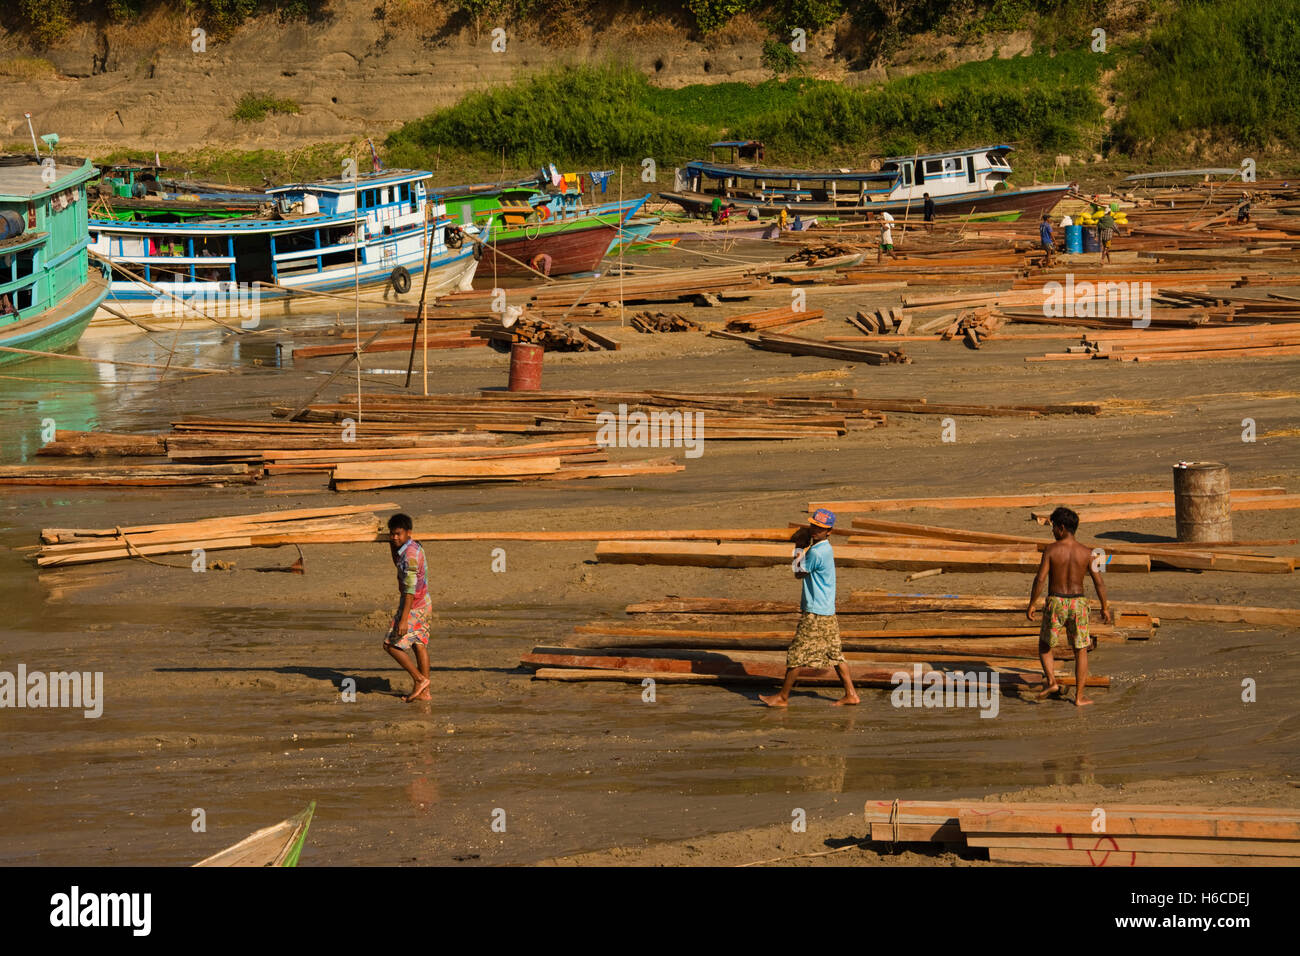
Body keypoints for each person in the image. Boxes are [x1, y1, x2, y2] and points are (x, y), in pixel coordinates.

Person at [759, 509, 860, 708]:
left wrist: (798, 547)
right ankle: (851, 694)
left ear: (829, 531)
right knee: (835, 653)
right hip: (826, 609)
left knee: (797, 654)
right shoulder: (826, 548)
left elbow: (798, 572)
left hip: (816, 612)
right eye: (813, 526)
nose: (815, 530)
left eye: (820, 528)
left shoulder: (817, 552)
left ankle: (783, 697)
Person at [1026, 506, 1112, 707]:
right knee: (1080, 649)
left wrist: (1032, 603)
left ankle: (1052, 681)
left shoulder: (1051, 550)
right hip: (1079, 603)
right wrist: (1104, 606)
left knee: (1045, 646)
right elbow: (1099, 582)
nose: (1052, 531)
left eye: (1054, 527)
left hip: (1056, 601)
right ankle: (1079, 697)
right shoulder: (1088, 553)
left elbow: (1040, 579)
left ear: (1062, 528)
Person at [384, 513, 433, 702]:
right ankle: (425, 693)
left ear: (408, 532)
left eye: (398, 534)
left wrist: (404, 619)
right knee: (419, 644)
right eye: (392, 534)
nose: (395, 537)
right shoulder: (413, 546)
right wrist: (390, 543)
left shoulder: (410, 557)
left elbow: (410, 591)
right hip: (425, 602)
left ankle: (420, 679)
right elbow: (397, 562)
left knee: (389, 645)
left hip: (413, 605)